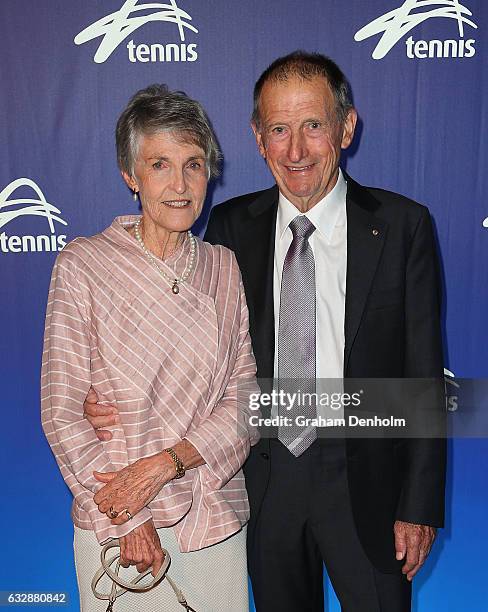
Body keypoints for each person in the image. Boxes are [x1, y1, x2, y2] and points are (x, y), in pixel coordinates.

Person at [85, 52, 446, 611]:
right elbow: (195, 357)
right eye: (279, 129)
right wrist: (103, 396)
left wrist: (419, 504)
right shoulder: (229, 228)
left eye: (313, 126)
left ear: (346, 128)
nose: (296, 150)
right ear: (258, 138)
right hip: (262, 479)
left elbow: (424, 375)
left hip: (369, 483)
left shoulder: (402, 226)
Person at [41, 84, 259, 612]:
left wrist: (167, 464)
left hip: (213, 515)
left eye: (194, 164)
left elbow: (246, 400)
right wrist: (129, 518)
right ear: (130, 176)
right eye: (160, 164)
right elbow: (63, 410)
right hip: (118, 523)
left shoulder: (223, 267)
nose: (180, 185)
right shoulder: (84, 265)